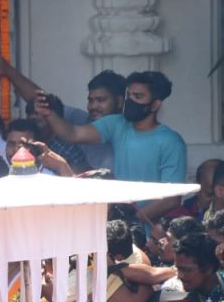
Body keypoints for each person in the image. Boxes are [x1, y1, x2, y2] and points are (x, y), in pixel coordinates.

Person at [36, 71, 186, 219]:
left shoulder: (171, 142)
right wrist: (48, 113)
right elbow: (73, 134)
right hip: (117, 225)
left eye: (138, 97)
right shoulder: (117, 124)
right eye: (129, 96)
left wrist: (134, 219)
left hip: (149, 234)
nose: (131, 101)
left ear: (155, 105)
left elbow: (171, 199)